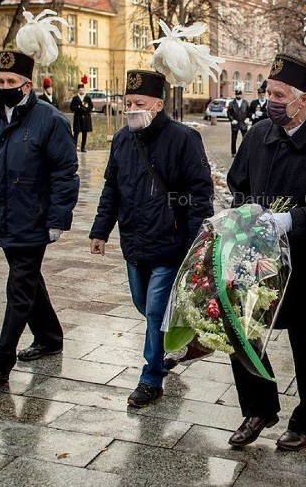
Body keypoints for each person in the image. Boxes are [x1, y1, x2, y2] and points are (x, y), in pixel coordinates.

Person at [226, 53, 306, 451]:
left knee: (301, 336)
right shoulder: (260, 134)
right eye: (268, 92)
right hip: (255, 253)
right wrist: (245, 209)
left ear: (305, 99)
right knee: (241, 328)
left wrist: (292, 220)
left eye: (279, 94)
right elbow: (237, 181)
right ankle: (259, 407)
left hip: (303, 260)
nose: (270, 100)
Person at [0, 24, 80, 382]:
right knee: (28, 280)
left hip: (34, 219)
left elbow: (65, 174)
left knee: (19, 286)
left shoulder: (50, 121)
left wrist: (57, 219)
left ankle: (1, 357)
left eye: (11, 82)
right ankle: (50, 337)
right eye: (0, 82)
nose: (4, 88)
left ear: (27, 85)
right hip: (3, 216)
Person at [89, 69, 214, 407]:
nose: (132, 109)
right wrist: (100, 230)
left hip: (171, 244)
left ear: (158, 104)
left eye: (139, 103)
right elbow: (111, 189)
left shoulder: (184, 139)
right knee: (143, 305)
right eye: (128, 103)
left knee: (156, 310)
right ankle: (186, 337)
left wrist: (194, 244)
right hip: (134, 241)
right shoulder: (121, 140)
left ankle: (150, 377)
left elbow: (201, 194)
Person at [70, 84, 94, 152]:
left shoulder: (87, 98)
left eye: (82, 90)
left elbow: (91, 106)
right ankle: (74, 147)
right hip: (78, 118)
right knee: (76, 133)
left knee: (84, 133)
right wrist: (78, 108)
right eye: (80, 90)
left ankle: (83, 147)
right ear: (78, 90)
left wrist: (86, 110)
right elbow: (71, 107)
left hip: (86, 118)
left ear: (84, 90)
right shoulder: (75, 98)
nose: (81, 91)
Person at [228, 89, 249, 156]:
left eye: (239, 94)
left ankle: (245, 152)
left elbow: (248, 112)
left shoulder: (245, 103)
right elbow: (229, 113)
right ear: (235, 95)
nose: (238, 96)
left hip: (243, 123)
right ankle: (233, 152)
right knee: (234, 139)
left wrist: (248, 118)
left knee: (245, 138)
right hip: (235, 123)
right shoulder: (231, 103)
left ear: (241, 95)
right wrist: (232, 119)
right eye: (237, 94)